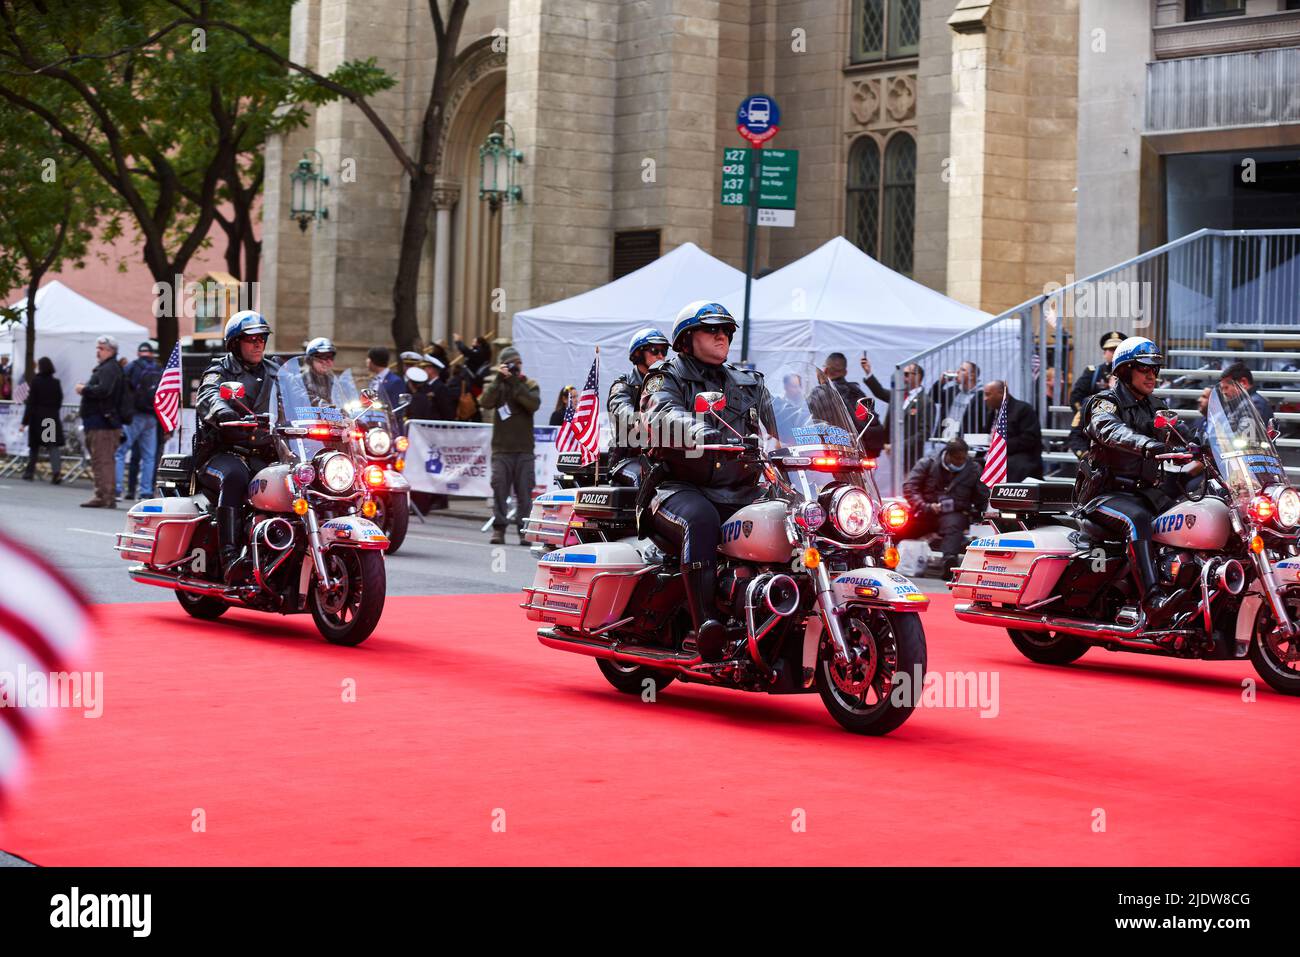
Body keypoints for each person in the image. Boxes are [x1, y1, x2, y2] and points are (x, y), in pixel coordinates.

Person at [640, 300, 776, 662]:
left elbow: (784, 414)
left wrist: (826, 429)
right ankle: (707, 626)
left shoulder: (746, 382)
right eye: (712, 329)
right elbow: (662, 414)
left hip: (741, 489)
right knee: (700, 521)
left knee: (790, 515)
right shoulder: (665, 375)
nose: (722, 335)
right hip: (678, 488)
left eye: (727, 330)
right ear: (686, 339)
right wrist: (699, 431)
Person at [1077, 335, 1189, 625]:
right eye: (1144, 369)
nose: (1152, 375)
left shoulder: (1156, 405)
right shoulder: (1103, 404)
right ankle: (1152, 599)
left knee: (1190, 514)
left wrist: (1210, 446)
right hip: (1105, 495)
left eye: (1155, 369)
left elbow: (1183, 432)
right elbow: (1109, 431)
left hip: (1145, 493)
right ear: (1126, 371)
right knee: (1136, 519)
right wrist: (1147, 444)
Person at [195, 311, 280, 584]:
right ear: (234, 343)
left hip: (264, 452)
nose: (258, 344)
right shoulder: (220, 369)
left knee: (292, 481)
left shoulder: (276, 371)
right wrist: (223, 412)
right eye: (250, 339)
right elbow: (207, 395)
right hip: (222, 454)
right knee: (236, 478)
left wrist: (328, 412)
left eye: (262, 339)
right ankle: (229, 557)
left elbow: (301, 396)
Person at [480, 346, 540, 545]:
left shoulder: (529, 384)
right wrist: (499, 379)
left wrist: (514, 381)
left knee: (524, 493)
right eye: (511, 363)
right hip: (501, 449)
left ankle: (524, 530)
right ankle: (499, 529)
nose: (516, 367)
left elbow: (532, 404)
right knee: (499, 490)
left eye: (518, 363)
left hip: (524, 450)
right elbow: (485, 402)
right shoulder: (498, 386)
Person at [901, 438, 986, 576]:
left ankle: (949, 563)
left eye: (963, 458)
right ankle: (885, 555)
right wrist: (924, 505)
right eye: (957, 458)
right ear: (948, 455)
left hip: (954, 514)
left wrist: (979, 516)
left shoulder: (974, 470)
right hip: (925, 511)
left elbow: (981, 496)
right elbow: (910, 487)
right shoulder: (927, 463)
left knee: (953, 525)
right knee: (901, 525)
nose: (960, 462)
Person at [75, 335, 128, 508]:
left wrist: (84, 389)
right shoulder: (108, 367)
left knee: (102, 460)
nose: (98, 351)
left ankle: (104, 496)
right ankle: (105, 495)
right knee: (103, 459)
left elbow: (104, 391)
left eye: (101, 348)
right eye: (97, 348)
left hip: (103, 423)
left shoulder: (109, 368)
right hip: (100, 422)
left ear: (111, 351)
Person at [608, 326, 670, 473]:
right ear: (638, 354)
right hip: (628, 458)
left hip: (663, 456)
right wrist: (639, 421)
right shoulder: (624, 384)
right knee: (640, 478)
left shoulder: (669, 383)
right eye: (655, 350)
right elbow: (620, 408)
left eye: (664, 351)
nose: (661, 356)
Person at [861, 355, 932, 468]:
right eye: (903, 374)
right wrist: (868, 372)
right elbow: (879, 392)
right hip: (889, 451)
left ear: (918, 377)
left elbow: (924, 433)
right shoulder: (898, 394)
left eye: (907, 374)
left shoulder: (926, 402)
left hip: (910, 455)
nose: (903, 377)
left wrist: (898, 446)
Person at [114, 341, 161, 499]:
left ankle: (117, 489)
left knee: (120, 452)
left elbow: (122, 389)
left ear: (138, 352)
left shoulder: (132, 367)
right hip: (152, 417)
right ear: (151, 353)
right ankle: (145, 492)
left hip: (134, 416)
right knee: (149, 457)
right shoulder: (158, 369)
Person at [1067, 331, 1125, 456]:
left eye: (1118, 349)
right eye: (1111, 349)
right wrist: (1085, 415)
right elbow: (1075, 398)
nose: (1114, 352)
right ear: (1104, 353)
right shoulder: (1093, 372)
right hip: (1094, 425)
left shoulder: (1129, 374)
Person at [982, 380, 1043, 482]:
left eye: (988, 394)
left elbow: (1028, 440)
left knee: (1009, 466)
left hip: (1019, 456)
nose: (985, 399)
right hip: (993, 455)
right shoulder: (993, 412)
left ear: (1002, 393)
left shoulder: (1023, 409)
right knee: (969, 464)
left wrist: (999, 447)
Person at [21, 356, 64, 484]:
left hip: (36, 417)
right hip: (50, 418)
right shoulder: (56, 382)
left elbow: (31, 403)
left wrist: (24, 422)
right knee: (52, 446)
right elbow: (59, 400)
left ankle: (29, 472)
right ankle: (56, 473)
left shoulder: (36, 382)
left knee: (34, 447)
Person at [933, 359, 989, 439]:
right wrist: (941, 382)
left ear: (972, 375)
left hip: (966, 442)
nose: (957, 372)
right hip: (944, 438)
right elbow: (933, 398)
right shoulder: (952, 390)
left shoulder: (982, 396)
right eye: (958, 369)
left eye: (962, 370)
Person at [1219, 361, 1275, 432]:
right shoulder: (1233, 405)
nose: (1224, 392)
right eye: (1222, 389)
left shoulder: (1254, 403)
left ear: (1243, 383)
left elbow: (1245, 435)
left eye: (1226, 387)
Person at [302, 337, 338, 407]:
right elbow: (305, 398)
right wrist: (324, 405)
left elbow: (341, 399)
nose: (327, 361)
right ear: (310, 360)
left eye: (330, 357)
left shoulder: (332, 379)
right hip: (308, 416)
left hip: (331, 416)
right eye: (322, 357)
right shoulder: (300, 379)